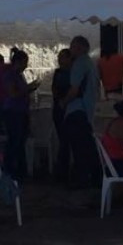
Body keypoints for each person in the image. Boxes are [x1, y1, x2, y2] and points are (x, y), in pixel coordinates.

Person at [63, 35, 101, 188]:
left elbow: (74, 89)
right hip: (87, 109)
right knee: (87, 146)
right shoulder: (91, 64)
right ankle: (95, 177)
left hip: (77, 110)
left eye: (73, 46)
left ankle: (83, 180)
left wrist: (63, 102)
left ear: (80, 48)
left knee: (79, 147)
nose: (71, 49)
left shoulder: (79, 64)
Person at [2, 47, 37, 181]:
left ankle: (21, 171)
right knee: (14, 141)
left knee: (21, 141)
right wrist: (28, 88)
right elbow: (13, 93)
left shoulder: (19, 76)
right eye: (25, 62)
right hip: (13, 112)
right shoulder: (9, 75)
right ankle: (10, 171)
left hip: (21, 111)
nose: (26, 65)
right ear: (18, 62)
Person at [51, 49, 73, 181]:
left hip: (69, 107)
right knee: (62, 138)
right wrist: (58, 98)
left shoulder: (74, 72)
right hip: (58, 107)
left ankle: (65, 168)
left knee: (68, 139)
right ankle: (62, 169)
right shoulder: (58, 72)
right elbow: (54, 87)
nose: (59, 60)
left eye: (62, 57)